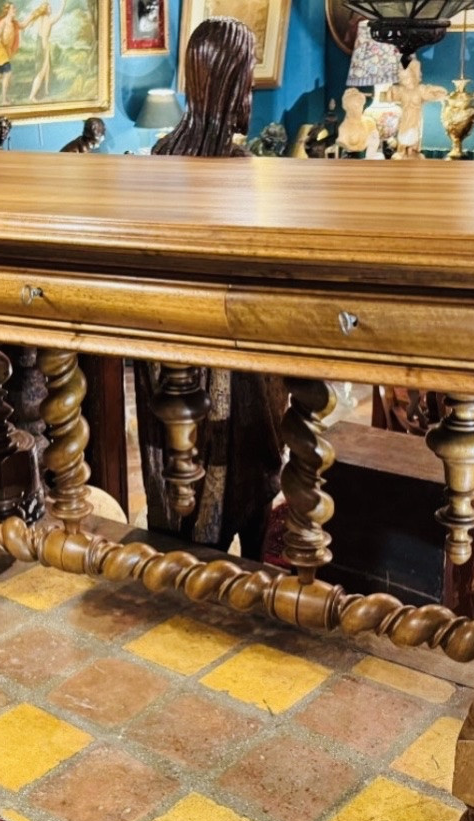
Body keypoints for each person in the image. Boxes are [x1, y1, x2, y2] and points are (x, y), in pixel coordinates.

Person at [138, 17, 287, 557]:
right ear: (229, 85)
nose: (249, 92)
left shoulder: (161, 154)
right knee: (243, 464)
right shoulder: (237, 164)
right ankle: (230, 565)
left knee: (176, 458)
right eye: (245, 81)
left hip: (165, 337)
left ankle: (182, 553)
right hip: (230, 343)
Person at [384, 59, 446, 159]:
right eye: (402, 79)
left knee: (414, 134)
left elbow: (430, 93)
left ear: (413, 76)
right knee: (403, 134)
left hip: (416, 117)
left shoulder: (420, 89)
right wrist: (388, 92)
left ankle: (412, 149)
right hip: (405, 117)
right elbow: (389, 96)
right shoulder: (401, 90)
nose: (406, 81)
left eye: (407, 78)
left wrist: (438, 91)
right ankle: (402, 150)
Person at [27, 0, 66, 101]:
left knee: (47, 68)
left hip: (40, 44)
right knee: (41, 72)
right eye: (49, 7)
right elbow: (60, 14)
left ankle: (46, 90)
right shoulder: (49, 20)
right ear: (45, 10)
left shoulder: (40, 18)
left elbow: (33, 21)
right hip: (44, 46)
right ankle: (32, 96)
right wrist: (64, 3)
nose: (51, 9)